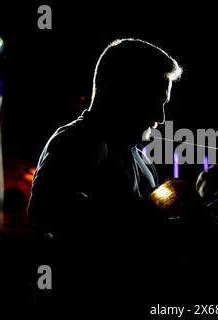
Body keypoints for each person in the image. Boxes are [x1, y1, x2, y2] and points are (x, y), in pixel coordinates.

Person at [27, 38, 182, 305]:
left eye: (164, 102)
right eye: (153, 100)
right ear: (117, 90)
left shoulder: (144, 163)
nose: (161, 116)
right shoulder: (76, 140)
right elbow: (44, 210)